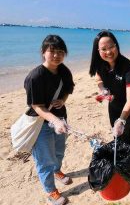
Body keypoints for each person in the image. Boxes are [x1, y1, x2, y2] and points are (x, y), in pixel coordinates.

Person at [24, 35, 75, 205]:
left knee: (59, 151)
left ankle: (57, 171)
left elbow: (68, 88)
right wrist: (55, 120)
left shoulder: (64, 71)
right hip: (41, 124)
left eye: (60, 52)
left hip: (60, 118)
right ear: (43, 52)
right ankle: (51, 191)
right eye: (52, 51)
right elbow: (37, 107)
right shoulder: (35, 77)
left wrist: (63, 100)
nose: (56, 55)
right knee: (44, 159)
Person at [89, 30, 130, 148]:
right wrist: (103, 89)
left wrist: (122, 120)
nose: (108, 52)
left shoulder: (128, 67)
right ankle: (119, 162)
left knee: (127, 138)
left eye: (111, 47)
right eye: (103, 49)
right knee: (116, 136)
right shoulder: (101, 64)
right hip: (113, 105)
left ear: (116, 45)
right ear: (98, 51)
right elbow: (98, 79)